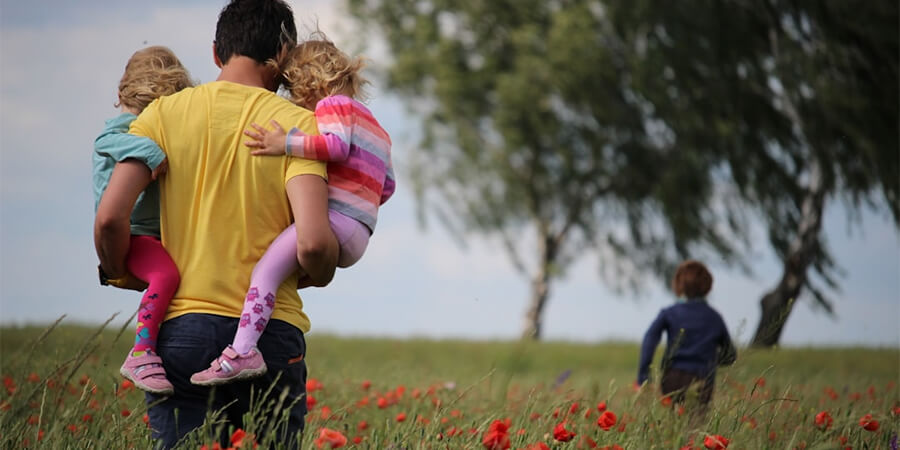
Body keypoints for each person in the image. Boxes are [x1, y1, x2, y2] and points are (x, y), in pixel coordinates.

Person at [93, 0, 339, 447]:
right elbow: (316, 245)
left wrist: (120, 271)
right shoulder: (298, 127)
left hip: (182, 330)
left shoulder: (160, 116)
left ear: (215, 53)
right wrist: (318, 275)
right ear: (283, 55)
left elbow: (110, 217)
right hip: (270, 335)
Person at [190, 36, 395, 386]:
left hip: (336, 222)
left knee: (265, 272)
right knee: (283, 272)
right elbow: (387, 186)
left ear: (309, 83)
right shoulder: (377, 128)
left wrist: (283, 143)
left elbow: (335, 146)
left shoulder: (333, 106)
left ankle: (242, 352)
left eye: (293, 90)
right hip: (360, 232)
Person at [93, 46, 192, 395]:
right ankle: (142, 352)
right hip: (134, 234)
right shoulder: (125, 128)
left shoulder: (143, 125)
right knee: (166, 275)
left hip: (151, 234)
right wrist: (152, 152)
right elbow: (106, 140)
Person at [636, 260, 736, 411]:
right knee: (696, 426)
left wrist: (644, 376)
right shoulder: (715, 317)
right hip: (703, 379)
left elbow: (649, 339)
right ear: (707, 286)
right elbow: (730, 355)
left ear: (678, 284)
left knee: (674, 424)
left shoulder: (669, 313)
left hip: (673, 378)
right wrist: (709, 361)